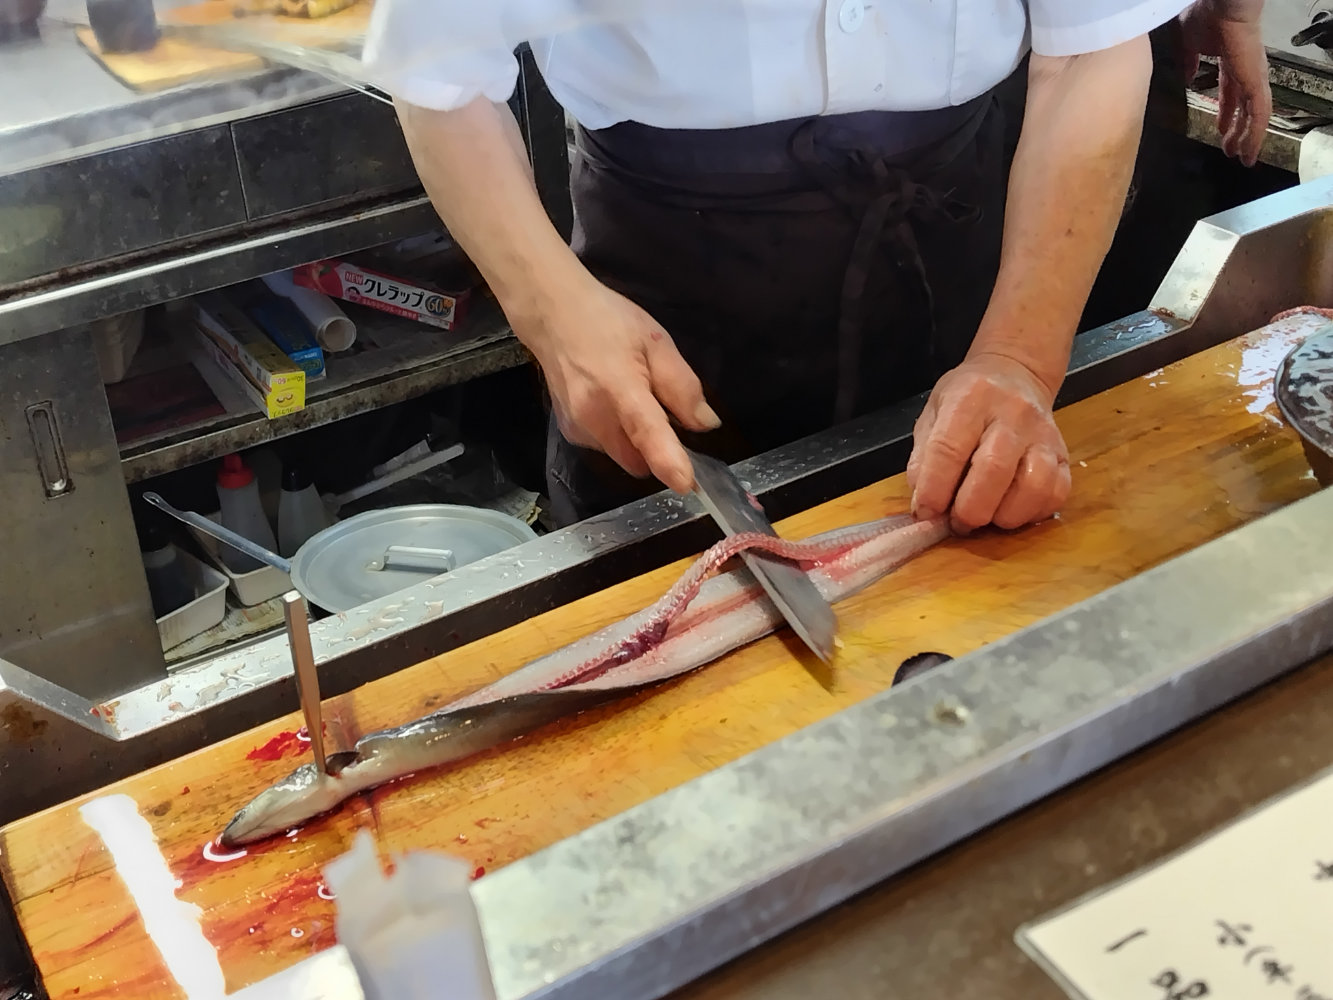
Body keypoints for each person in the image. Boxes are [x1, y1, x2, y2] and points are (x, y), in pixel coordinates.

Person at [362, 0, 1270, 531]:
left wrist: (1018, 359)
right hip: (661, 288)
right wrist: (553, 313)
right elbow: (440, 73)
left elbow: (1089, 50)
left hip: (953, 270)